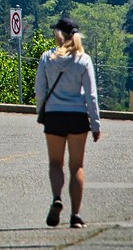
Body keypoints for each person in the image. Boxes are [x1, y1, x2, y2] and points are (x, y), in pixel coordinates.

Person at [35, 16, 101, 229]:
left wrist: (41, 111)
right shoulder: (84, 60)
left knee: (55, 163)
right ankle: (76, 215)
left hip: (54, 115)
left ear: (58, 35)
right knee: (77, 166)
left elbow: (40, 90)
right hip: (77, 116)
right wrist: (96, 124)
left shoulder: (47, 58)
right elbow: (91, 95)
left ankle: (57, 197)